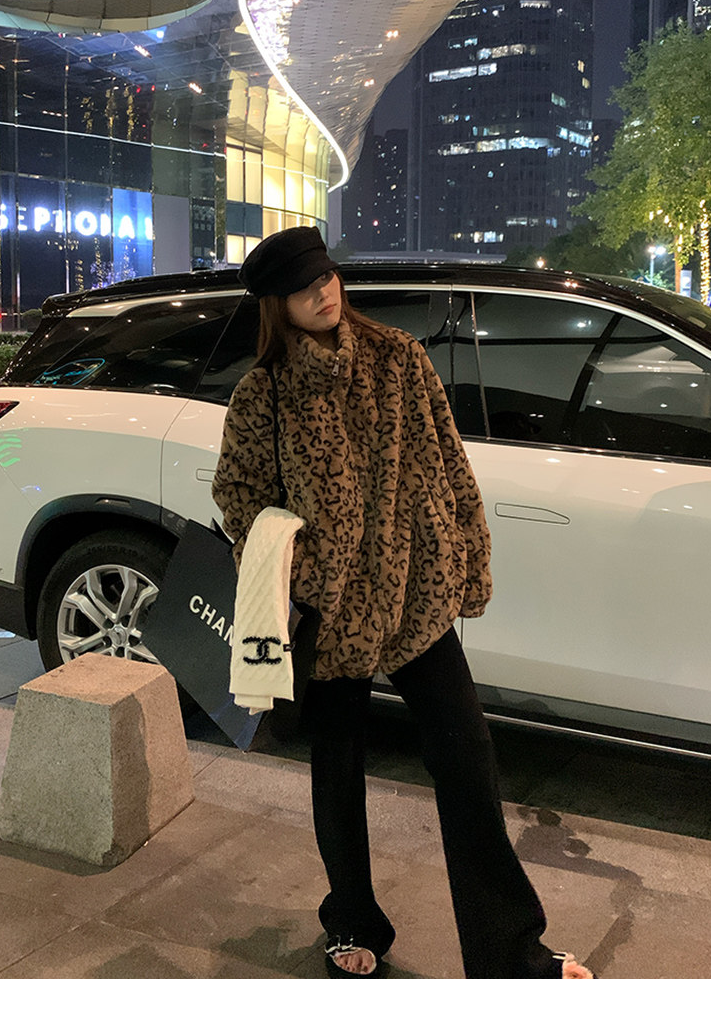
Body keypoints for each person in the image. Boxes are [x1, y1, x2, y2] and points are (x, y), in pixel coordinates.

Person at [211, 226, 594, 981]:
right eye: (303, 289)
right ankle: (352, 920)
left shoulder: (398, 359)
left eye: (326, 278)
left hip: (415, 592)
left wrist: (467, 554)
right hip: (331, 611)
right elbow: (238, 494)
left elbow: (450, 462)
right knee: (337, 770)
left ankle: (510, 951)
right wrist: (307, 567)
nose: (323, 294)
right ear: (276, 305)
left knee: (467, 758)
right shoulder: (266, 392)